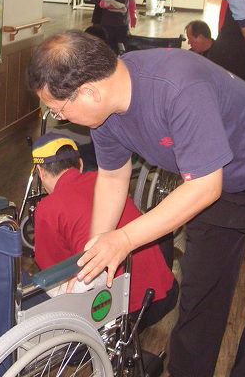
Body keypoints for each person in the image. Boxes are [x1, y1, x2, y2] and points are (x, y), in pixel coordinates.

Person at [27, 30, 245, 377]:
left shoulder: (177, 85)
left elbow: (205, 186)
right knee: (200, 297)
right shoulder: (105, 115)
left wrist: (123, 239)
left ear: (89, 91)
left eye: (59, 109)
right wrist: (94, 251)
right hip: (214, 184)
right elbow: (113, 177)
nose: (60, 117)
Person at [31, 132, 177, 330]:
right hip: (164, 294)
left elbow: (51, 270)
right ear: (80, 163)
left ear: (41, 172)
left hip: (122, 315)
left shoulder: (47, 208)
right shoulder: (108, 183)